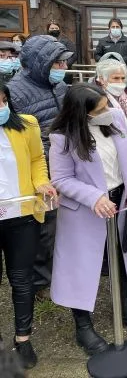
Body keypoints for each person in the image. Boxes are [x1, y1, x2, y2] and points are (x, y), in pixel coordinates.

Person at [48, 84, 127, 356]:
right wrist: (94, 197)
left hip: (118, 200)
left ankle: (125, 307)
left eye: (107, 104)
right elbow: (60, 179)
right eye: (99, 110)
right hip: (84, 210)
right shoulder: (63, 136)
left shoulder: (114, 118)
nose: (107, 111)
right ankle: (83, 325)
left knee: (121, 255)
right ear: (81, 114)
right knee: (82, 266)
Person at [7, 35, 71, 297]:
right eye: (57, 63)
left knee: (59, 224)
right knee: (41, 226)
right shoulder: (15, 92)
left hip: (62, 162)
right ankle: (40, 282)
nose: (62, 69)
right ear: (40, 63)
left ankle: (58, 271)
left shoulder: (60, 87)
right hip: (36, 167)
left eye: (63, 63)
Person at [0, 82, 57, 369]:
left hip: (21, 213)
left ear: (7, 99)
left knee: (22, 279)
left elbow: (37, 159)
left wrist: (42, 183)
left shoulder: (27, 125)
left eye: (0, 102)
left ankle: (23, 338)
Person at [95, 59, 127, 140]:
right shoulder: (94, 98)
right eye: (116, 78)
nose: (120, 82)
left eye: (123, 78)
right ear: (102, 79)